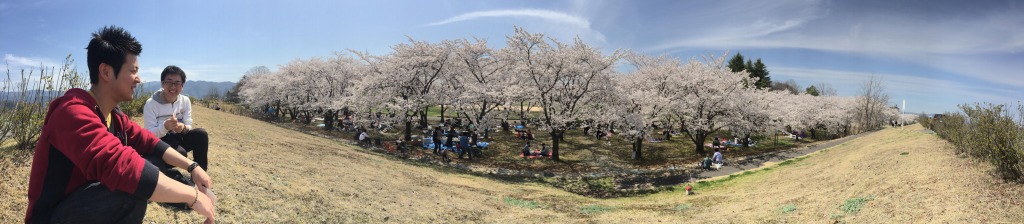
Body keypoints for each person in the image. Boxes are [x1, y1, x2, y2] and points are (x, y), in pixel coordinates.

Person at [26, 26, 214, 223]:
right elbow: (121, 166)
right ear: (106, 72)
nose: (138, 79)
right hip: (52, 216)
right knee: (128, 193)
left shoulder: (114, 116)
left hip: (87, 203)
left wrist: (192, 166)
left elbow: (149, 142)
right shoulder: (72, 112)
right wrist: (192, 196)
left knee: (152, 163)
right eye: (133, 71)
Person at [143, 66, 211, 174]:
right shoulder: (151, 104)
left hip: (178, 137)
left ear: (182, 85)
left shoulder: (185, 101)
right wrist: (164, 127)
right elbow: (148, 135)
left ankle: (201, 175)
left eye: (177, 83)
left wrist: (183, 128)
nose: (173, 86)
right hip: (160, 141)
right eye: (169, 82)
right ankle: (160, 169)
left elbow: (188, 123)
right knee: (181, 153)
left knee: (201, 134)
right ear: (162, 83)